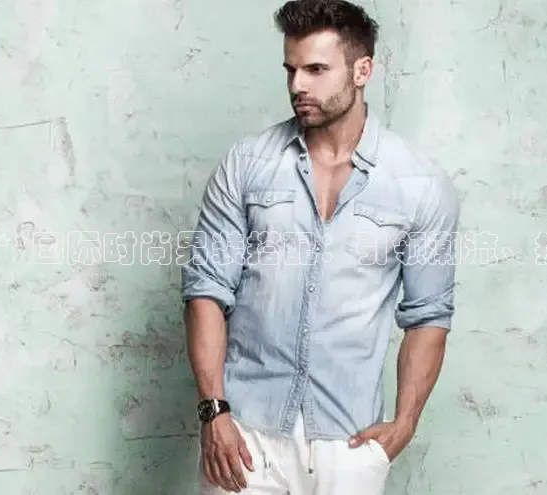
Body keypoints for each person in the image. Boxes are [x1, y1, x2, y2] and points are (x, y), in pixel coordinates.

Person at [181, 0, 460, 493]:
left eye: (315, 70)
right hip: (244, 434)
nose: (297, 85)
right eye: (291, 69)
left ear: (362, 70)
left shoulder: (419, 184)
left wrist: (405, 423)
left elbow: (428, 315)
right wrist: (214, 411)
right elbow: (206, 290)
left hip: (349, 443)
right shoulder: (247, 164)